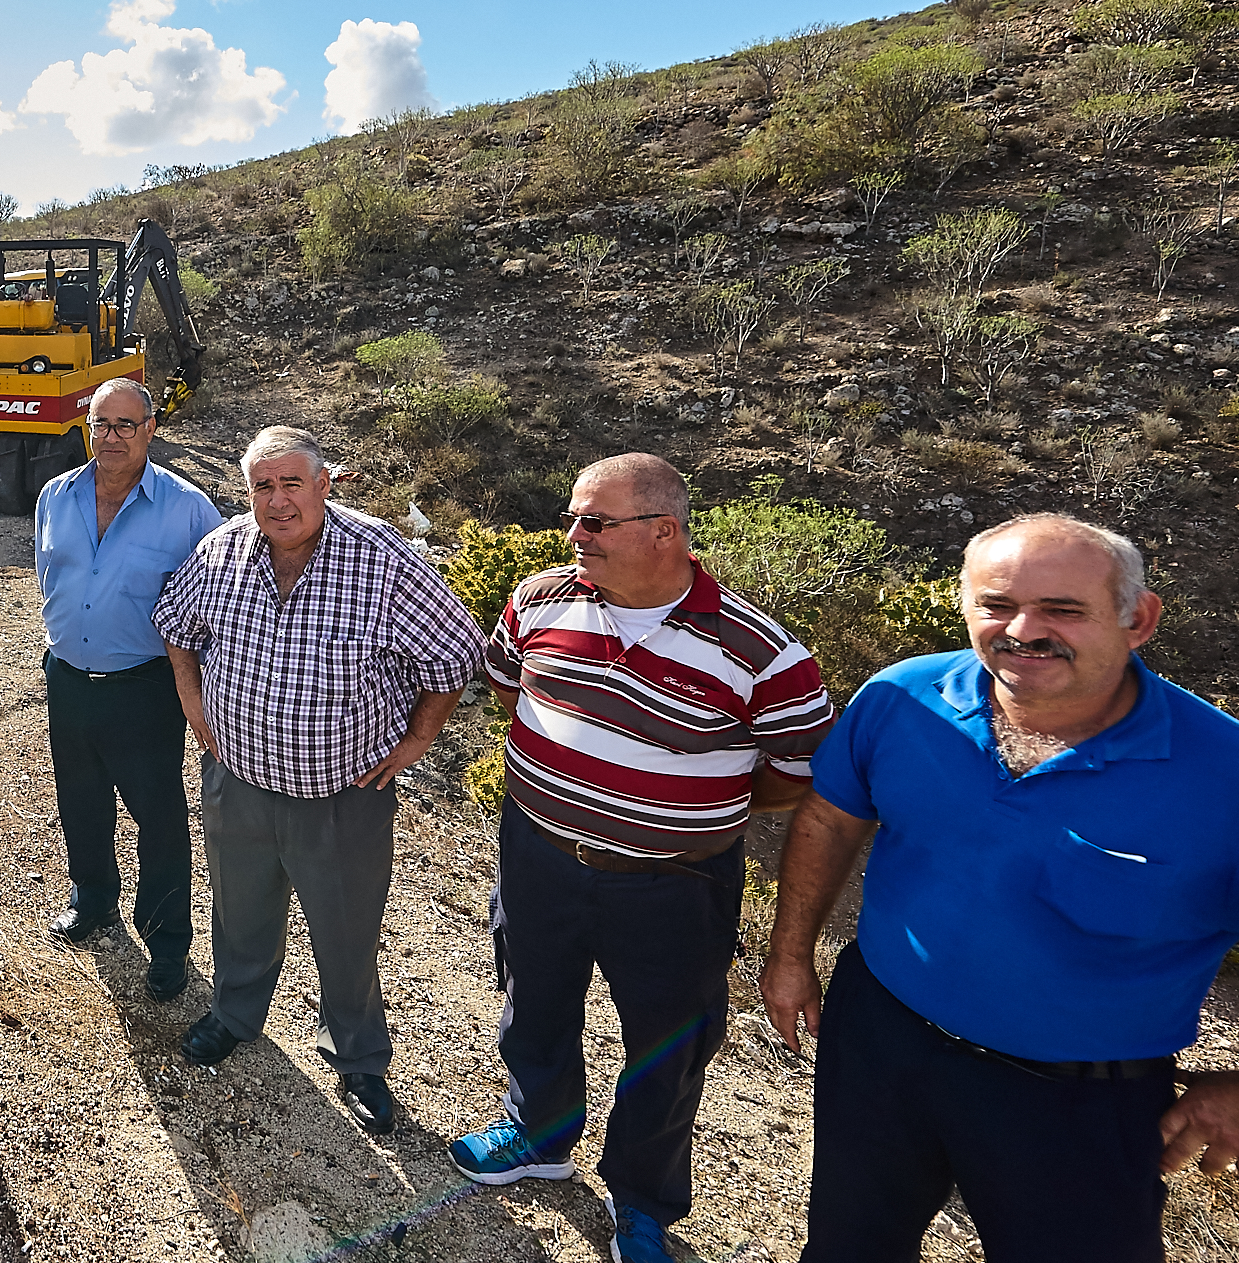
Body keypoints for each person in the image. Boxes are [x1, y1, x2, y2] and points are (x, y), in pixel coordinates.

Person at [762, 513, 1239, 1263]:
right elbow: (831, 817)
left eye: (1063, 609)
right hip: (880, 1041)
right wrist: (789, 953)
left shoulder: (1223, 774)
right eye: (997, 605)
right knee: (850, 1246)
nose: (1023, 629)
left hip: (1079, 1100)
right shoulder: (903, 698)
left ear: (1137, 619)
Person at [449, 453, 833, 1263]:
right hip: (540, 855)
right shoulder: (539, 597)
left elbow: (799, 775)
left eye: (594, 521)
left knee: (668, 1042)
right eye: (574, 518)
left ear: (665, 532)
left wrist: (687, 808)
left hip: (675, 883)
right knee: (535, 998)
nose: (573, 535)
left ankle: (643, 1200)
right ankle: (539, 1136)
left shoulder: (762, 651)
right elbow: (507, 684)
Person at [153, 424, 485, 1138]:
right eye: (262, 486)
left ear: (324, 484)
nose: (277, 501)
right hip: (237, 782)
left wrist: (418, 738)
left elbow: (457, 652)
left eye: (291, 483)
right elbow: (174, 622)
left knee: (345, 933)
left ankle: (359, 1058)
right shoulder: (222, 550)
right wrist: (191, 700)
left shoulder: (381, 558)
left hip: (343, 799)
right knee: (240, 915)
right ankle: (235, 1015)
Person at [33, 377, 222, 1001]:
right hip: (67, 679)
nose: (110, 438)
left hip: (146, 687)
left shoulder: (189, 509)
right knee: (80, 799)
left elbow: (216, 604)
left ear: (150, 431)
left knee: (158, 816)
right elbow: (49, 575)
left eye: (125, 426)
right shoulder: (55, 496)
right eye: (101, 424)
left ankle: (168, 942)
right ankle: (92, 899)